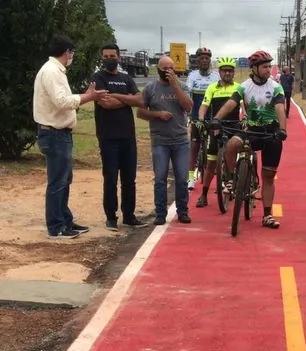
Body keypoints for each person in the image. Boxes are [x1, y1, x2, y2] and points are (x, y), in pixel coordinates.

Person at [33, 34, 107, 239]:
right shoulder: (51, 72)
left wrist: (85, 95)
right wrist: (88, 97)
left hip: (60, 133)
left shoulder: (56, 71)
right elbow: (62, 102)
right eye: (71, 52)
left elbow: (64, 100)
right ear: (67, 52)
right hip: (54, 133)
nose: (72, 56)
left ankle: (65, 220)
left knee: (64, 180)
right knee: (57, 181)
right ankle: (56, 226)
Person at [213, 50, 287, 229]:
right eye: (265, 66)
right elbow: (231, 103)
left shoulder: (275, 87)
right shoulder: (244, 87)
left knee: (268, 176)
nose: (269, 69)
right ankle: (231, 178)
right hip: (251, 130)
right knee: (232, 144)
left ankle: (267, 215)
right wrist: (216, 119)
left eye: (270, 66)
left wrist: (283, 129)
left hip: (271, 132)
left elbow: (279, 108)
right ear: (254, 68)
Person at [92, 43, 147, 231]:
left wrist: (117, 96)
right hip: (108, 137)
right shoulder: (98, 78)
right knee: (110, 178)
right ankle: (111, 217)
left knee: (129, 179)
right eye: (106, 56)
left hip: (128, 137)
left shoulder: (126, 78)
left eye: (112, 56)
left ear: (119, 57)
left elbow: (140, 100)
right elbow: (105, 103)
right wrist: (127, 99)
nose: (109, 59)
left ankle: (129, 215)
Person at [137, 56, 194, 225]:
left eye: (171, 68)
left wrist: (176, 86)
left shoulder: (182, 86)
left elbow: (188, 107)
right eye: (164, 68)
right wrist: (157, 115)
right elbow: (140, 112)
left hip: (180, 140)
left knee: (182, 179)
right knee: (160, 178)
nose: (168, 71)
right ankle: (160, 213)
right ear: (159, 70)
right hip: (160, 140)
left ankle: (182, 211)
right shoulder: (150, 88)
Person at [194, 57, 240, 208]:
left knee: (234, 155)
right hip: (216, 127)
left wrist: (245, 118)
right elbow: (204, 105)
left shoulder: (239, 88)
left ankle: (233, 181)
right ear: (219, 72)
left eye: (230, 70)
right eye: (224, 70)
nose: (227, 73)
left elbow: (244, 107)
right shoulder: (212, 87)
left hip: (234, 126)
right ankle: (204, 195)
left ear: (234, 72)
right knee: (211, 163)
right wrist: (201, 119)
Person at [186, 47, 220, 190]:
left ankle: (221, 177)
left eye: (207, 58)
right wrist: (188, 114)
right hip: (196, 117)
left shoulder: (216, 76)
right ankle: (191, 177)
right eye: (202, 58)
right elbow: (188, 96)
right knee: (194, 147)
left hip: (213, 117)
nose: (205, 60)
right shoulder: (192, 76)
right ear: (197, 61)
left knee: (217, 148)